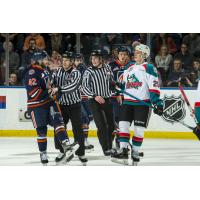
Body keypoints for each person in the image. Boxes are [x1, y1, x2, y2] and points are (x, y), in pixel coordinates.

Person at [111, 44, 163, 165]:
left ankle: (135, 152)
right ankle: (124, 150)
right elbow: (124, 84)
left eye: (138, 52)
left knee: (139, 130)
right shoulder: (129, 68)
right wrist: (118, 87)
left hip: (142, 104)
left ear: (144, 55)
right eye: (135, 52)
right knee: (123, 125)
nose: (135, 54)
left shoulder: (149, 68)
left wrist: (157, 103)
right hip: (127, 103)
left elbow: (154, 87)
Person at [24, 51, 74, 165]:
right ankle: (43, 153)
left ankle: (66, 145)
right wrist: (50, 92)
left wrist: (56, 92)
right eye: (45, 59)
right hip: (36, 105)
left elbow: (50, 87)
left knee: (59, 123)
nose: (47, 60)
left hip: (49, 102)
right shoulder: (31, 72)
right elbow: (33, 92)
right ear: (39, 60)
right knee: (41, 131)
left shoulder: (46, 70)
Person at [50, 51, 87, 164]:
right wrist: (52, 87)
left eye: (67, 60)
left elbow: (72, 86)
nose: (64, 62)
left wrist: (58, 89)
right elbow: (52, 83)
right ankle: (62, 151)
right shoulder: (58, 71)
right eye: (63, 60)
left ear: (71, 62)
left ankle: (80, 153)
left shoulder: (76, 73)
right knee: (59, 128)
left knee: (77, 129)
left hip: (74, 105)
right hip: (61, 105)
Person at [82, 50, 115, 156]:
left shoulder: (108, 68)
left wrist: (114, 87)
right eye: (92, 58)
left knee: (111, 126)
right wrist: (95, 96)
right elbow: (84, 87)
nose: (94, 60)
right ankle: (106, 149)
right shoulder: (89, 71)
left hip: (107, 100)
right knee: (102, 126)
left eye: (96, 58)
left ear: (101, 59)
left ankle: (110, 146)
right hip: (94, 101)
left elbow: (111, 82)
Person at [109, 46, 131, 148]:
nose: (122, 56)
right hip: (114, 98)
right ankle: (114, 140)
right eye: (121, 54)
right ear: (118, 55)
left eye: (124, 54)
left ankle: (120, 139)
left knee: (125, 120)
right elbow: (108, 81)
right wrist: (116, 93)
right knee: (115, 119)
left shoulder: (131, 66)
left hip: (127, 98)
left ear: (127, 56)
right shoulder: (111, 65)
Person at [73, 53, 94, 150]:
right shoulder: (72, 71)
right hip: (77, 99)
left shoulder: (88, 70)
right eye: (77, 60)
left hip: (87, 98)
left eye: (80, 60)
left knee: (88, 119)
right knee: (82, 119)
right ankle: (80, 140)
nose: (79, 62)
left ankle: (83, 140)